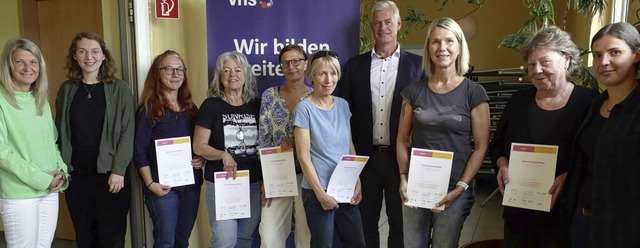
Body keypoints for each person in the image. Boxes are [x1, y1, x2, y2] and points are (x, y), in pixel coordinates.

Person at [489, 26, 597, 248]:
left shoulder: (590, 103)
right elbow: (497, 145)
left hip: (564, 216)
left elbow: (595, 158)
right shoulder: (518, 100)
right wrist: (502, 165)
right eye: (531, 64)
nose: (536, 70)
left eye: (545, 62)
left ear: (566, 60)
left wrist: (570, 175)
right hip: (518, 214)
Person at [396, 17, 490, 248]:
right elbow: (402, 139)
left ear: (459, 47)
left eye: (449, 41)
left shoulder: (474, 93)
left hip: (454, 189)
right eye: (435, 42)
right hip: (416, 188)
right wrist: (403, 178)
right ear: (429, 48)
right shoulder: (413, 92)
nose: (442, 48)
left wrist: (461, 187)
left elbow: (481, 146)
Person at [337, 1, 424, 247]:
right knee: (365, 222)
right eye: (377, 22)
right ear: (370, 28)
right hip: (365, 158)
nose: (382, 27)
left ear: (398, 24)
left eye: (387, 22)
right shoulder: (355, 66)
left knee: (400, 222)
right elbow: (343, 113)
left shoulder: (418, 66)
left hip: (402, 160)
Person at [55, 31, 135, 248]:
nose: (89, 57)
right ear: (75, 56)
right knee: (84, 235)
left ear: (103, 55)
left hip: (110, 175)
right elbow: (60, 132)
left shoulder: (120, 89)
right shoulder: (67, 89)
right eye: (82, 51)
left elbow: (128, 133)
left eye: (94, 51)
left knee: (112, 236)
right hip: (77, 175)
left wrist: (118, 170)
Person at [564, 22, 640, 247]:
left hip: (622, 230)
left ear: (637, 56)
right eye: (597, 55)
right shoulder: (595, 104)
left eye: (614, 52)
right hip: (582, 221)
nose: (603, 62)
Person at [293, 50, 366, 248]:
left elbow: (349, 146)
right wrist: (321, 194)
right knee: (324, 244)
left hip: (345, 187)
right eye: (322, 74)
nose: (328, 79)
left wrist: (356, 180)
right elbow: (303, 156)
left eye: (333, 73)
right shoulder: (304, 109)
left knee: (356, 243)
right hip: (319, 190)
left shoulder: (342, 105)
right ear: (312, 77)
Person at [0, 38, 68, 247]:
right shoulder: (2, 100)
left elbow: (52, 143)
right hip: (20, 194)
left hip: (49, 190)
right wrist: (41, 178)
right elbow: (3, 153)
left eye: (34, 62)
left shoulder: (40, 101)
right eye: (20, 62)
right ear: (8, 66)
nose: (28, 68)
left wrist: (61, 171)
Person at [133, 50, 204, 248]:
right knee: (165, 241)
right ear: (157, 73)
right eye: (169, 69)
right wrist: (150, 184)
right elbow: (139, 150)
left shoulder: (191, 108)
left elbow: (200, 144)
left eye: (180, 69)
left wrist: (201, 158)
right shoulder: (149, 108)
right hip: (162, 186)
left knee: (182, 240)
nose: (176, 74)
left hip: (191, 185)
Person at [193, 51, 262, 248]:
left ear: (246, 74)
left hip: (253, 182)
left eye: (238, 70)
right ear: (219, 76)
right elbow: (199, 145)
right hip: (222, 182)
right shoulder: (211, 105)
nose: (232, 74)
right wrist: (223, 154)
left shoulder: (256, 105)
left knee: (244, 239)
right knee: (224, 240)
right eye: (227, 70)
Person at [258, 44, 312, 247]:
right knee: (270, 238)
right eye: (286, 63)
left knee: (305, 237)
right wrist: (267, 178)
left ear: (305, 64)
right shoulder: (269, 95)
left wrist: (299, 144)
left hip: (308, 175)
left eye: (296, 61)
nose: (291, 66)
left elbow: (324, 139)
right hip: (278, 174)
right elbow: (263, 138)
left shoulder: (315, 97)